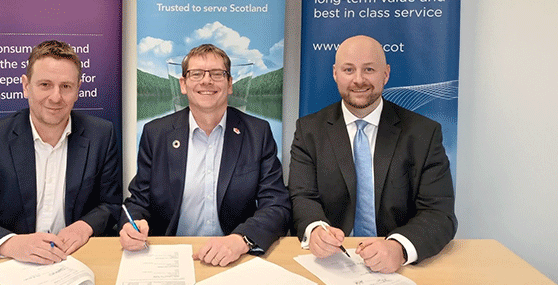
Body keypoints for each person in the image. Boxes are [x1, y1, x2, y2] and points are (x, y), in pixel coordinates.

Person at [0, 40, 122, 265]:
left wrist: (84, 226)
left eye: (66, 86)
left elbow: (111, 205)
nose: (56, 97)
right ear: (26, 86)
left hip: (72, 261)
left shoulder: (101, 135)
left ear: (78, 89)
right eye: (45, 84)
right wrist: (12, 244)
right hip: (8, 262)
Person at [288, 35, 457, 273]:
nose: (358, 80)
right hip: (332, 262)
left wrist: (399, 248)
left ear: (385, 74)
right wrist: (315, 229)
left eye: (369, 69)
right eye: (348, 69)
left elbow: (439, 213)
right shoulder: (309, 131)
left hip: (398, 266)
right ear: (335, 73)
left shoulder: (424, 134)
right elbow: (301, 197)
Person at [120, 44, 290, 267]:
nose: (207, 81)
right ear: (183, 84)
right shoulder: (156, 133)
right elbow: (138, 201)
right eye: (196, 74)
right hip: (172, 257)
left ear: (230, 84)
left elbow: (277, 205)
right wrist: (133, 225)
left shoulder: (258, 133)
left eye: (217, 74)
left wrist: (242, 240)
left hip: (235, 257)